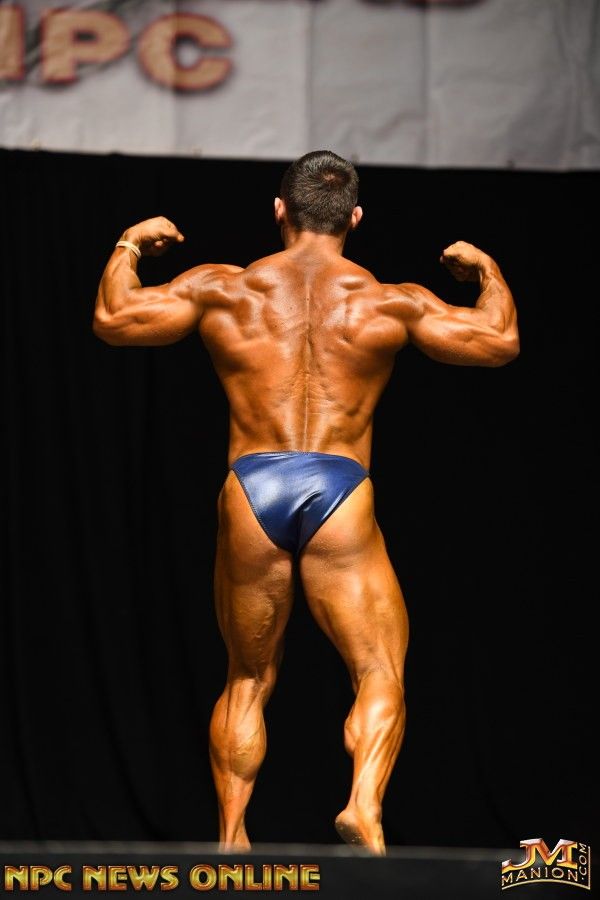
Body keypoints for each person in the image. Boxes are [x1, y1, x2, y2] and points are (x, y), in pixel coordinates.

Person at [93, 150, 519, 856]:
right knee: (379, 670)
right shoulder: (389, 300)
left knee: (247, 677)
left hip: (252, 486)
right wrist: (487, 273)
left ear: (279, 211)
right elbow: (498, 340)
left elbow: (114, 317)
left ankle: (232, 841)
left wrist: (129, 244)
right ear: (355, 218)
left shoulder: (225, 288)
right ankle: (364, 804)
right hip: (339, 486)